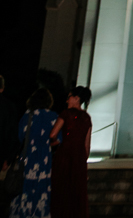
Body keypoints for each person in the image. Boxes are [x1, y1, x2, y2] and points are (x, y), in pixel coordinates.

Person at [9, 87, 59, 218]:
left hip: (27, 158)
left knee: (24, 187)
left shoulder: (27, 116)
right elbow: (59, 138)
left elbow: (20, 137)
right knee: (41, 188)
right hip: (44, 160)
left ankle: (23, 213)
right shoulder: (53, 117)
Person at [50, 87, 91, 218]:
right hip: (79, 157)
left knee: (61, 190)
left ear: (76, 98)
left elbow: (53, 134)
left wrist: (55, 142)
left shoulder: (66, 114)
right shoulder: (86, 117)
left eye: (69, 97)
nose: (67, 100)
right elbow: (87, 145)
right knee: (76, 192)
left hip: (65, 155)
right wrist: (83, 162)